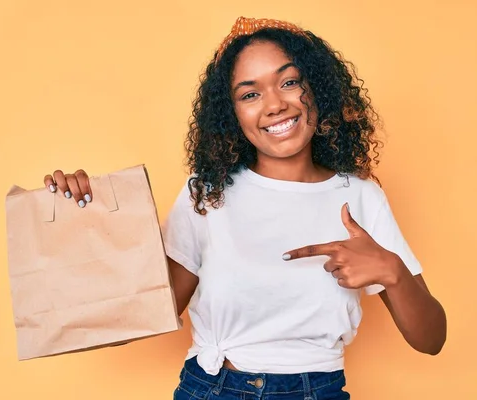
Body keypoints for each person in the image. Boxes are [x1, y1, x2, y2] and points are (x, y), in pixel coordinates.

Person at [42, 16, 446, 400]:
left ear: (319, 91)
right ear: (232, 114)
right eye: (250, 94)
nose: (274, 105)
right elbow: (141, 315)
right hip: (213, 388)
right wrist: (83, 219)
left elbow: (431, 340)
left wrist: (393, 272)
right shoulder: (207, 194)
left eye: (289, 82)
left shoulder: (360, 197)